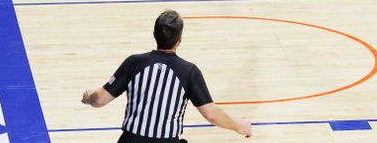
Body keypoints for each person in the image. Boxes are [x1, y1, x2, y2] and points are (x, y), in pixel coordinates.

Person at [81, 10, 253, 140]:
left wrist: (89, 97)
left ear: (154, 34)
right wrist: (238, 126)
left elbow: (99, 99)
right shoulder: (189, 71)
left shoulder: (133, 63)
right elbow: (211, 114)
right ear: (179, 40)